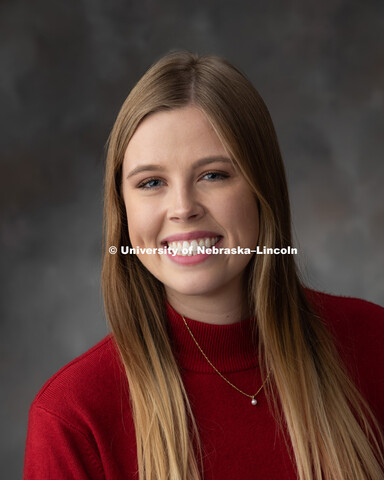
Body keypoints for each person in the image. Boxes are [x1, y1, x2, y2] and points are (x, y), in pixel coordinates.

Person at [24, 51, 384, 480]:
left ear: (261, 187)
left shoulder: (373, 342)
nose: (182, 208)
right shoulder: (73, 416)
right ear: (122, 209)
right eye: (151, 183)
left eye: (213, 175)